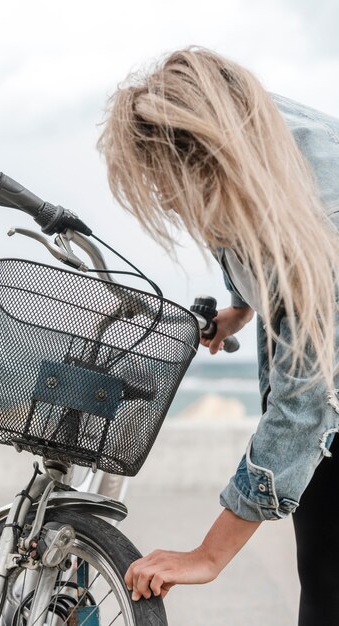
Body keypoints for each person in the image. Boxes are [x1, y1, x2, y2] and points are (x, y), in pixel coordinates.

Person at [97, 47, 339, 626]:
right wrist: (238, 309)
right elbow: (235, 235)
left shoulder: (314, 212)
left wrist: (208, 555)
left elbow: (303, 406)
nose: (170, 203)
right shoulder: (253, 138)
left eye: (172, 189)